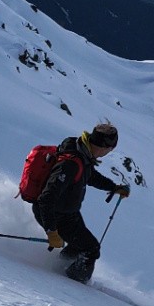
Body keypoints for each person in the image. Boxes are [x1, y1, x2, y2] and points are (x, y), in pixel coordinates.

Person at [32, 121, 130, 283]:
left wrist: (113, 187)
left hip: (68, 213)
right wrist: (51, 231)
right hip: (56, 215)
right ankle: (74, 285)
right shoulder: (71, 163)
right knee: (91, 249)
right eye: (110, 149)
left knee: (81, 245)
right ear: (104, 147)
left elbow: (90, 175)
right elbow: (46, 198)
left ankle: (58, 269)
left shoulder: (82, 154)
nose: (108, 153)